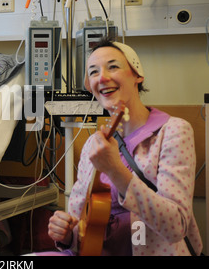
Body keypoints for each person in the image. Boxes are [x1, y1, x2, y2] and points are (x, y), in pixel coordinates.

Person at [46, 37, 202, 256]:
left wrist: (115, 170)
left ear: (137, 75)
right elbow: (81, 225)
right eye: (93, 72)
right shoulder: (94, 143)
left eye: (113, 67)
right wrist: (66, 235)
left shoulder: (173, 131)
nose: (102, 77)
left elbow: (176, 226)